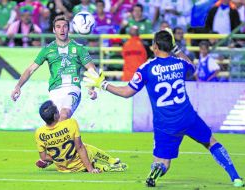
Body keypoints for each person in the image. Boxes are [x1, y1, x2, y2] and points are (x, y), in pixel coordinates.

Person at [82, 30, 244, 187]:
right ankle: (235, 177)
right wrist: (177, 50)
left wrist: (103, 84)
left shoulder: (146, 68)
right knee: (211, 142)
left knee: (163, 162)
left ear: (155, 47)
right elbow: (192, 67)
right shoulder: (180, 63)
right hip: (188, 117)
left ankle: (156, 172)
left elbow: (126, 92)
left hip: (165, 124)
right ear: (171, 46)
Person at [11, 15, 98, 121]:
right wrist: (18, 86)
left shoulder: (79, 48)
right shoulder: (47, 50)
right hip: (55, 90)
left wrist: (92, 88)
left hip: (73, 87)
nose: (62, 29)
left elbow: (92, 69)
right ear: (53, 30)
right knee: (56, 125)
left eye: (64, 26)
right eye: (58, 27)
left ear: (68, 29)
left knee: (64, 115)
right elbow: (30, 70)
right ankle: (76, 138)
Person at [35, 100, 128, 173]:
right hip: (79, 164)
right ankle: (107, 163)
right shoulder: (71, 123)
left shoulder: (39, 133)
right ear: (55, 116)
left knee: (71, 150)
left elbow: (43, 157)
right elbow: (80, 148)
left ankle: (102, 165)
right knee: (85, 147)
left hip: (63, 168)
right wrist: (90, 169)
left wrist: (58, 158)